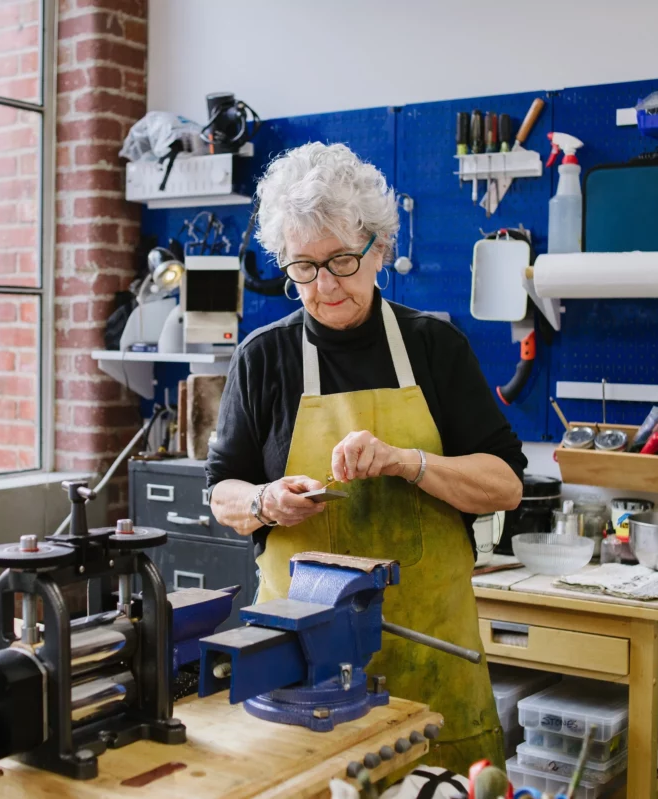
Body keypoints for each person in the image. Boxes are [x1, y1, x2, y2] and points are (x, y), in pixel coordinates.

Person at [207, 142, 528, 771]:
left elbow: (506, 486)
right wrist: (264, 501)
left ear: (379, 249)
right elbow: (222, 493)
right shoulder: (262, 358)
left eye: (342, 260)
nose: (324, 285)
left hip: (431, 658)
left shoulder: (434, 345)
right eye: (302, 267)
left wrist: (409, 462)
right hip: (303, 679)